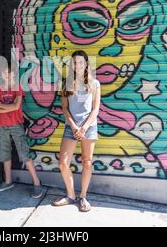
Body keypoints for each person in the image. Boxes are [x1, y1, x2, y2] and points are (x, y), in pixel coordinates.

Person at [51, 50, 101, 212]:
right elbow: (64, 108)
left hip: (89, 127)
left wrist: (84, 127)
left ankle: (83, 196)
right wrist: (73, 126)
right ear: (71, 65)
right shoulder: (66, 83)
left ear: (86, 64)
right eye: (74, 62)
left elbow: (95, 109)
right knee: (63, 163)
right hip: (71, 127)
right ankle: (71, 195)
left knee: (87, 161)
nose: (78, 65)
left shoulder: (95, 84)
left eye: (81, 62)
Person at [0, 67, 43, 198]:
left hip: (16, 125)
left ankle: (37, 183)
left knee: (24, 153)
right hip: (2, 125)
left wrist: (1, 106)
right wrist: (7, 108)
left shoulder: (17, 87)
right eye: (5, 73)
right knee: (4, 153)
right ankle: (8, 181)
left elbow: (16, 106)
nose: (7, 76)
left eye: (9, 74)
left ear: (14, 75)